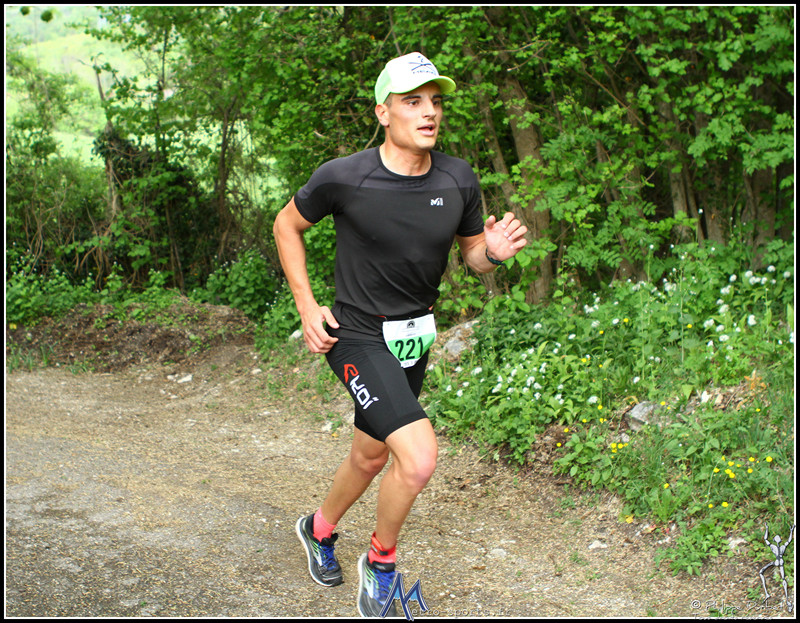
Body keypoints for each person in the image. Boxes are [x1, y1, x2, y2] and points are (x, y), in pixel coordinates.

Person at [273, 51, 528, 617]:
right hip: (356, 335)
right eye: (413, 101)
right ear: (383, 112)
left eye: (435, 101)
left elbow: (472, 255)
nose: (429, 112)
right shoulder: (345, 176)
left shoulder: (457, 178)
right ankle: (381, 564)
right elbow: (286, 225)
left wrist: (493, 253)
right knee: (416, 458)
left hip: (414, 337)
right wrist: (307, 306)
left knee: (370, 456)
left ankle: (318, 529)